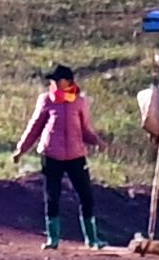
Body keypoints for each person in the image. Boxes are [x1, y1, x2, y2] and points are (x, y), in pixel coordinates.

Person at [13, 63, 105, 247]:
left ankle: (92, 239)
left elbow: (85, 129)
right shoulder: (46, 100)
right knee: (52, 196)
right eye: (52, 81)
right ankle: (53, 238)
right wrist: (21, 149)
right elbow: (35, 127)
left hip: (76, 155)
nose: (53, 84)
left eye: (57, 80)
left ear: (68, 81)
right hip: (51, 155)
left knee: (86, 195)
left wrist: (97, 141)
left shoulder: (79, 102)